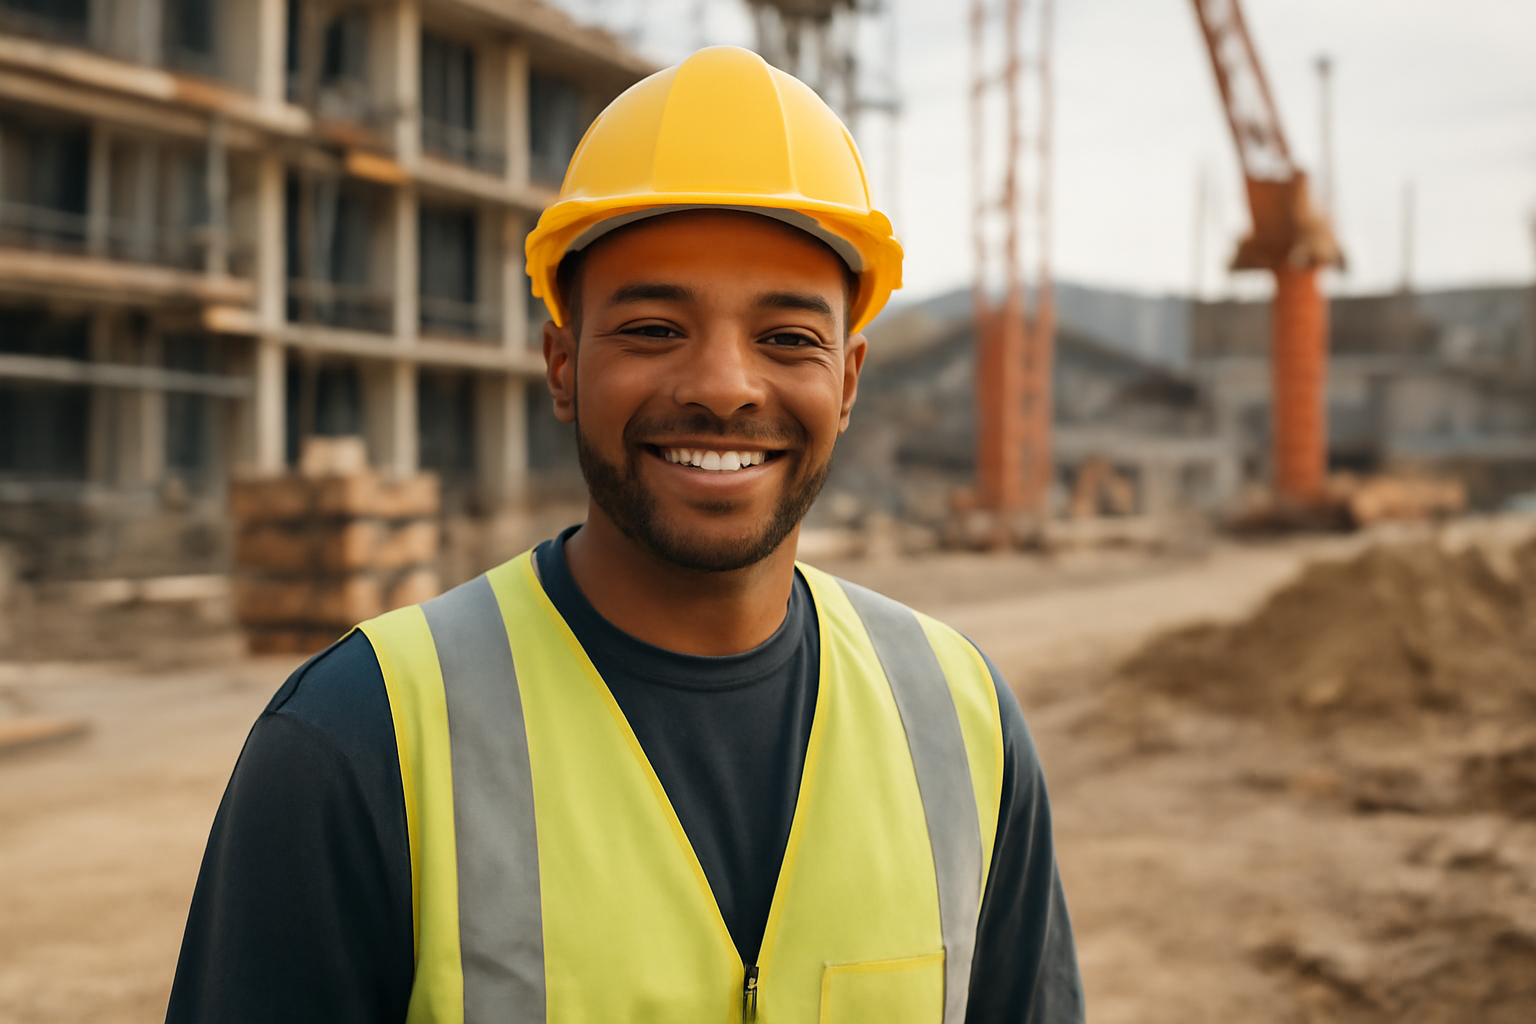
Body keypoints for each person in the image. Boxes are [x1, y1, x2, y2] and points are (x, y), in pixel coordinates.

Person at [167, 46, 1083, 1024]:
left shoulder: (964, 727)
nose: (724, 384)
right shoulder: (360, 739)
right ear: (561, 364)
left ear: (849, 379)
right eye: (652, 327)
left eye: (787, 338)